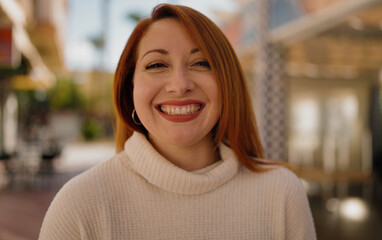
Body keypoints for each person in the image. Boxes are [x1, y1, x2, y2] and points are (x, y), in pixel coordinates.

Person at [39, 3, 316, 239]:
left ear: (226, 83)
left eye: (201, 63)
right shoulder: (79, 205)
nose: (179, 85)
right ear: (129, 89)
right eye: (157, 65)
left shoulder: (281, 194)